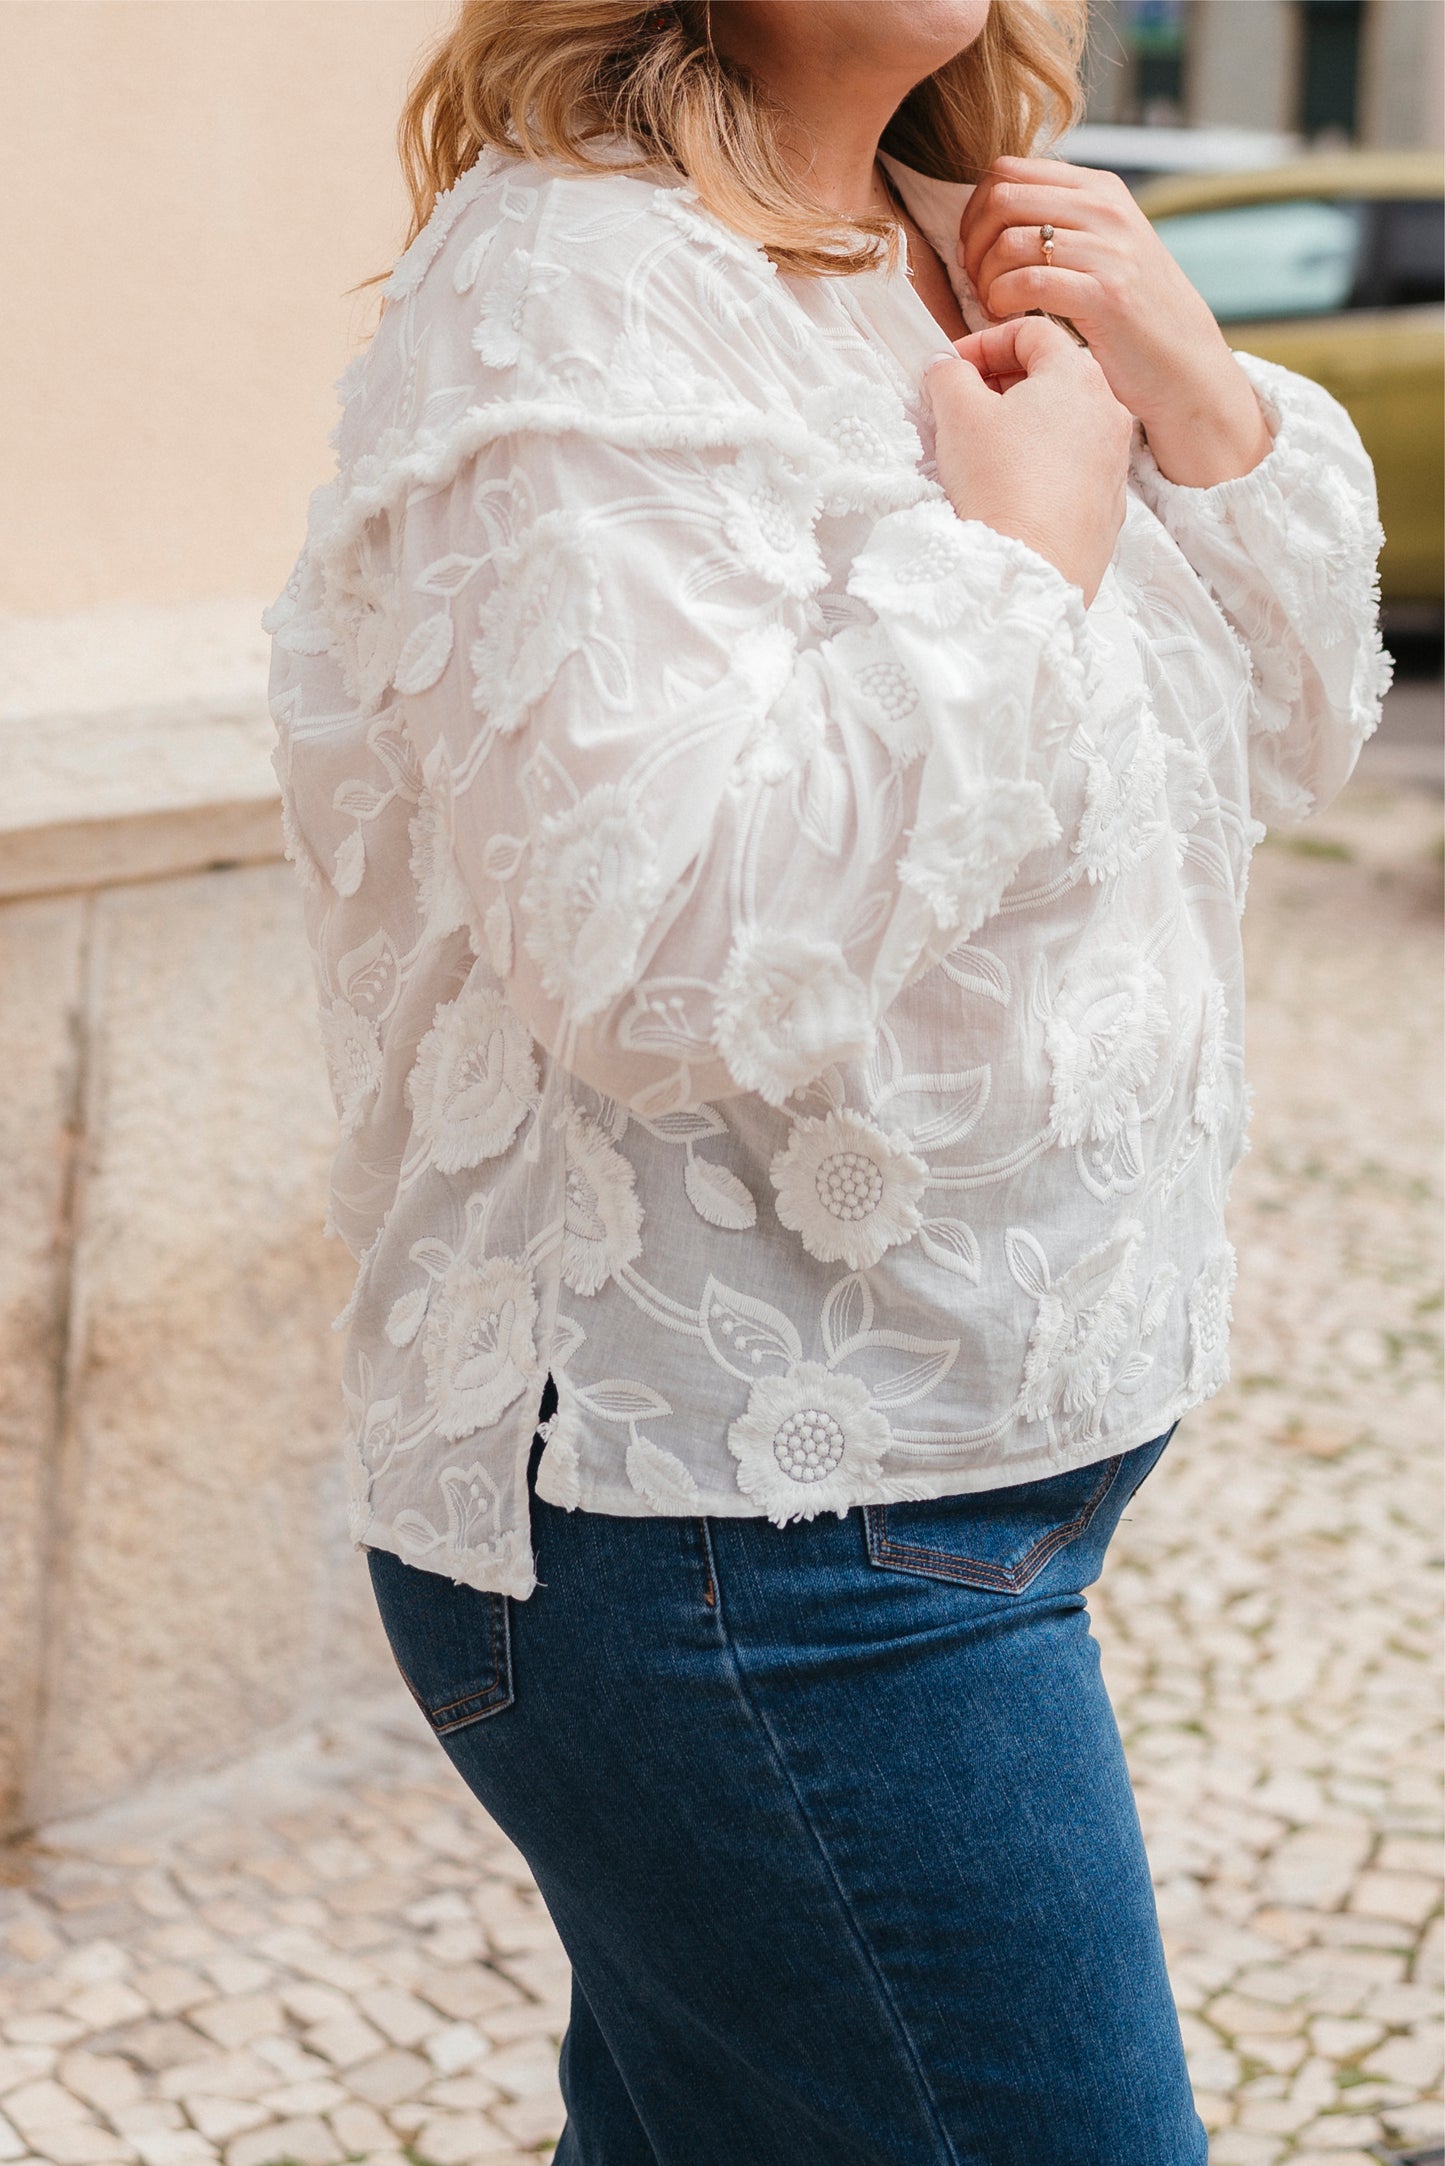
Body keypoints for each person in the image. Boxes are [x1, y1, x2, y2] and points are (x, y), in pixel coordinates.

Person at [266, 2, 1389, 2157]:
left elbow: (1285, 736)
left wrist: (1197, 395)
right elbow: (657, 954)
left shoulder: (968, 233)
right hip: (743, 1551)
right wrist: (1010, 561)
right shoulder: (580, 284)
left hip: (952, 1490)